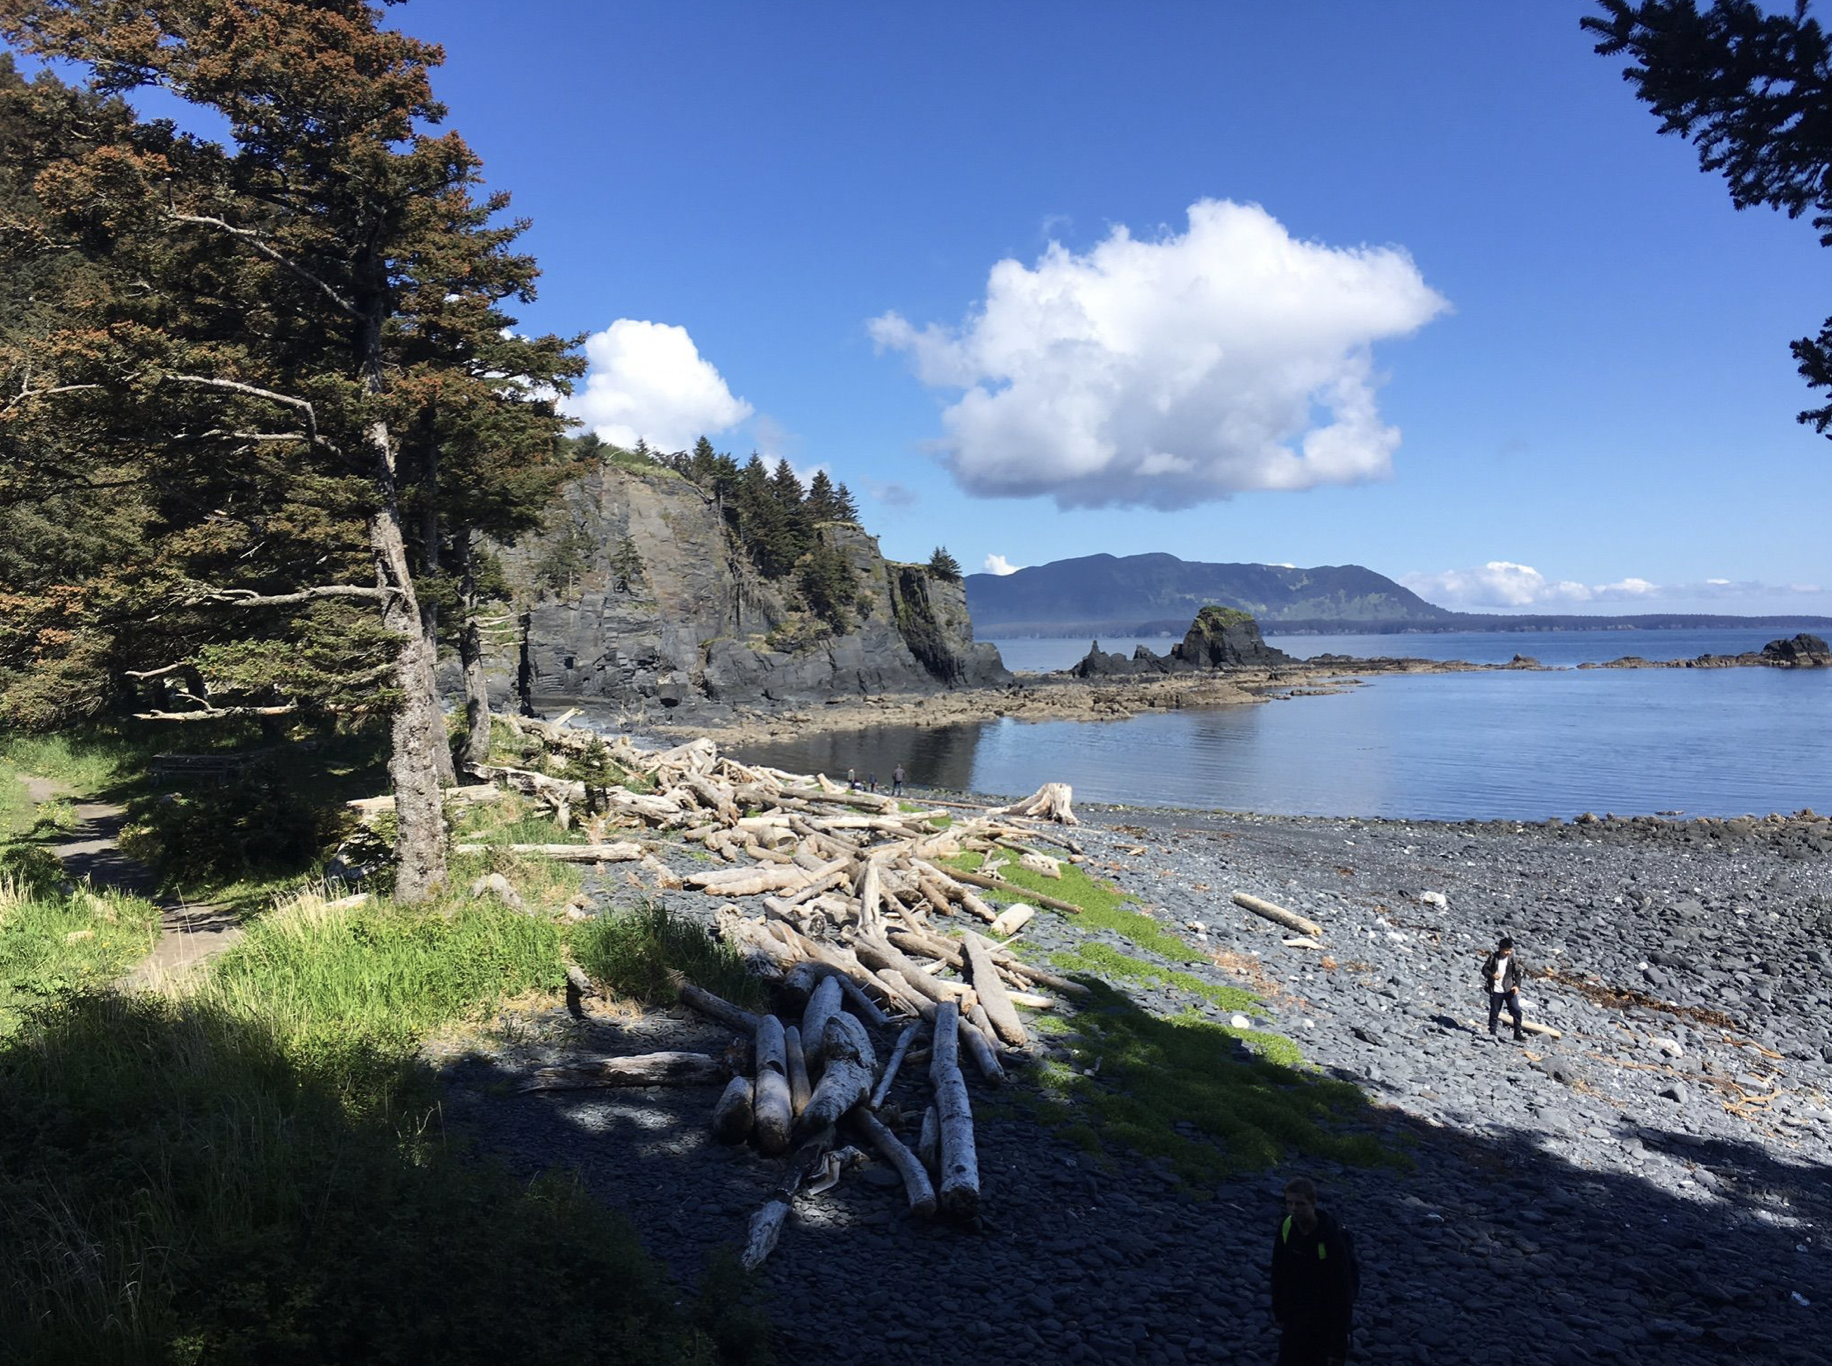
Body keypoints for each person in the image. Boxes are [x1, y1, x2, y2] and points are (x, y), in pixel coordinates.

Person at [1270, 1177, 1354, 1365]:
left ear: (1313, 1203)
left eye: (1299, 1203)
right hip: (1295, 1313)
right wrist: (1279, 1311)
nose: (1293, 1209)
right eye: (1289, 1203)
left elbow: (1343, 1292)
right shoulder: (1286, 1227)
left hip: (1324, 1317)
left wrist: (1339, 1348)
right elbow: (1278, 1271)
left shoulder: (1331, 1236)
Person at [1482, 935, 1526, 1041]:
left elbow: (1518, 974)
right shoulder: (1493, 958)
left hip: (1509, 989)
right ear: (1500, 949)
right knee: (1494, 1011)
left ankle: (1517, 1033)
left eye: (1509, 950)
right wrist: (1492, 976)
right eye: (1506, 950)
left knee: (1516, 1011)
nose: (1508, 952)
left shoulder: (1512, 960)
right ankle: (1492, 1032)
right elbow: (1484, 970)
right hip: (1496, 989)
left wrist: (1517, 986)